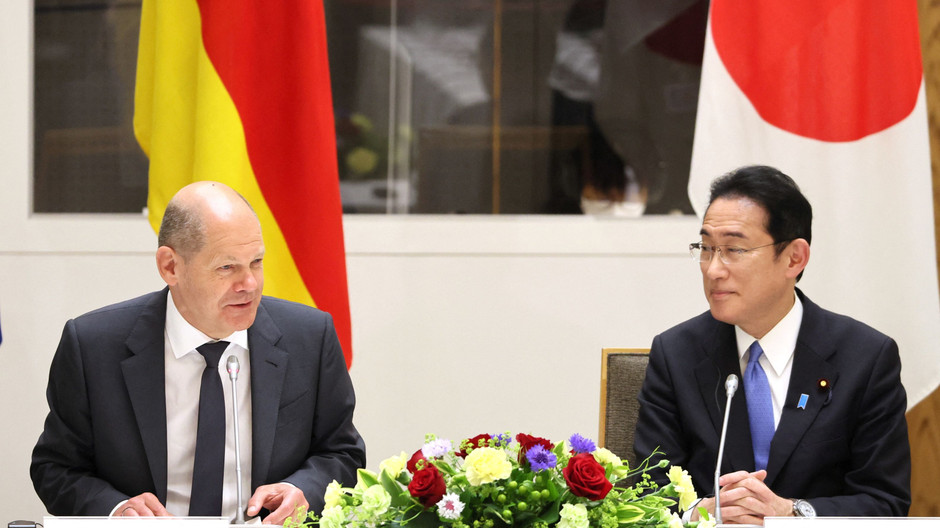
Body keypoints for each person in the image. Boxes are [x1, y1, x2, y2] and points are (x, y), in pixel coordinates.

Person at [31, 181, 366, 524]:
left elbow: (342, 453)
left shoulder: (309, 337)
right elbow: (55, 469)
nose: (249, 284)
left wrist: (303, 490)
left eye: (256, 262)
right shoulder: (92, 346)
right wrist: (117, 510)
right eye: (227, 267)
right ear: (170, 267)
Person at [634, 165, 910, 524]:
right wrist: (699, 513)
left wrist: (792, 513)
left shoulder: (866, 358)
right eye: (706, 248)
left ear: (794, 258)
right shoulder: (676, 355)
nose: (713, 269)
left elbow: (885, 502)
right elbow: (647, 494)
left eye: (734, 249)